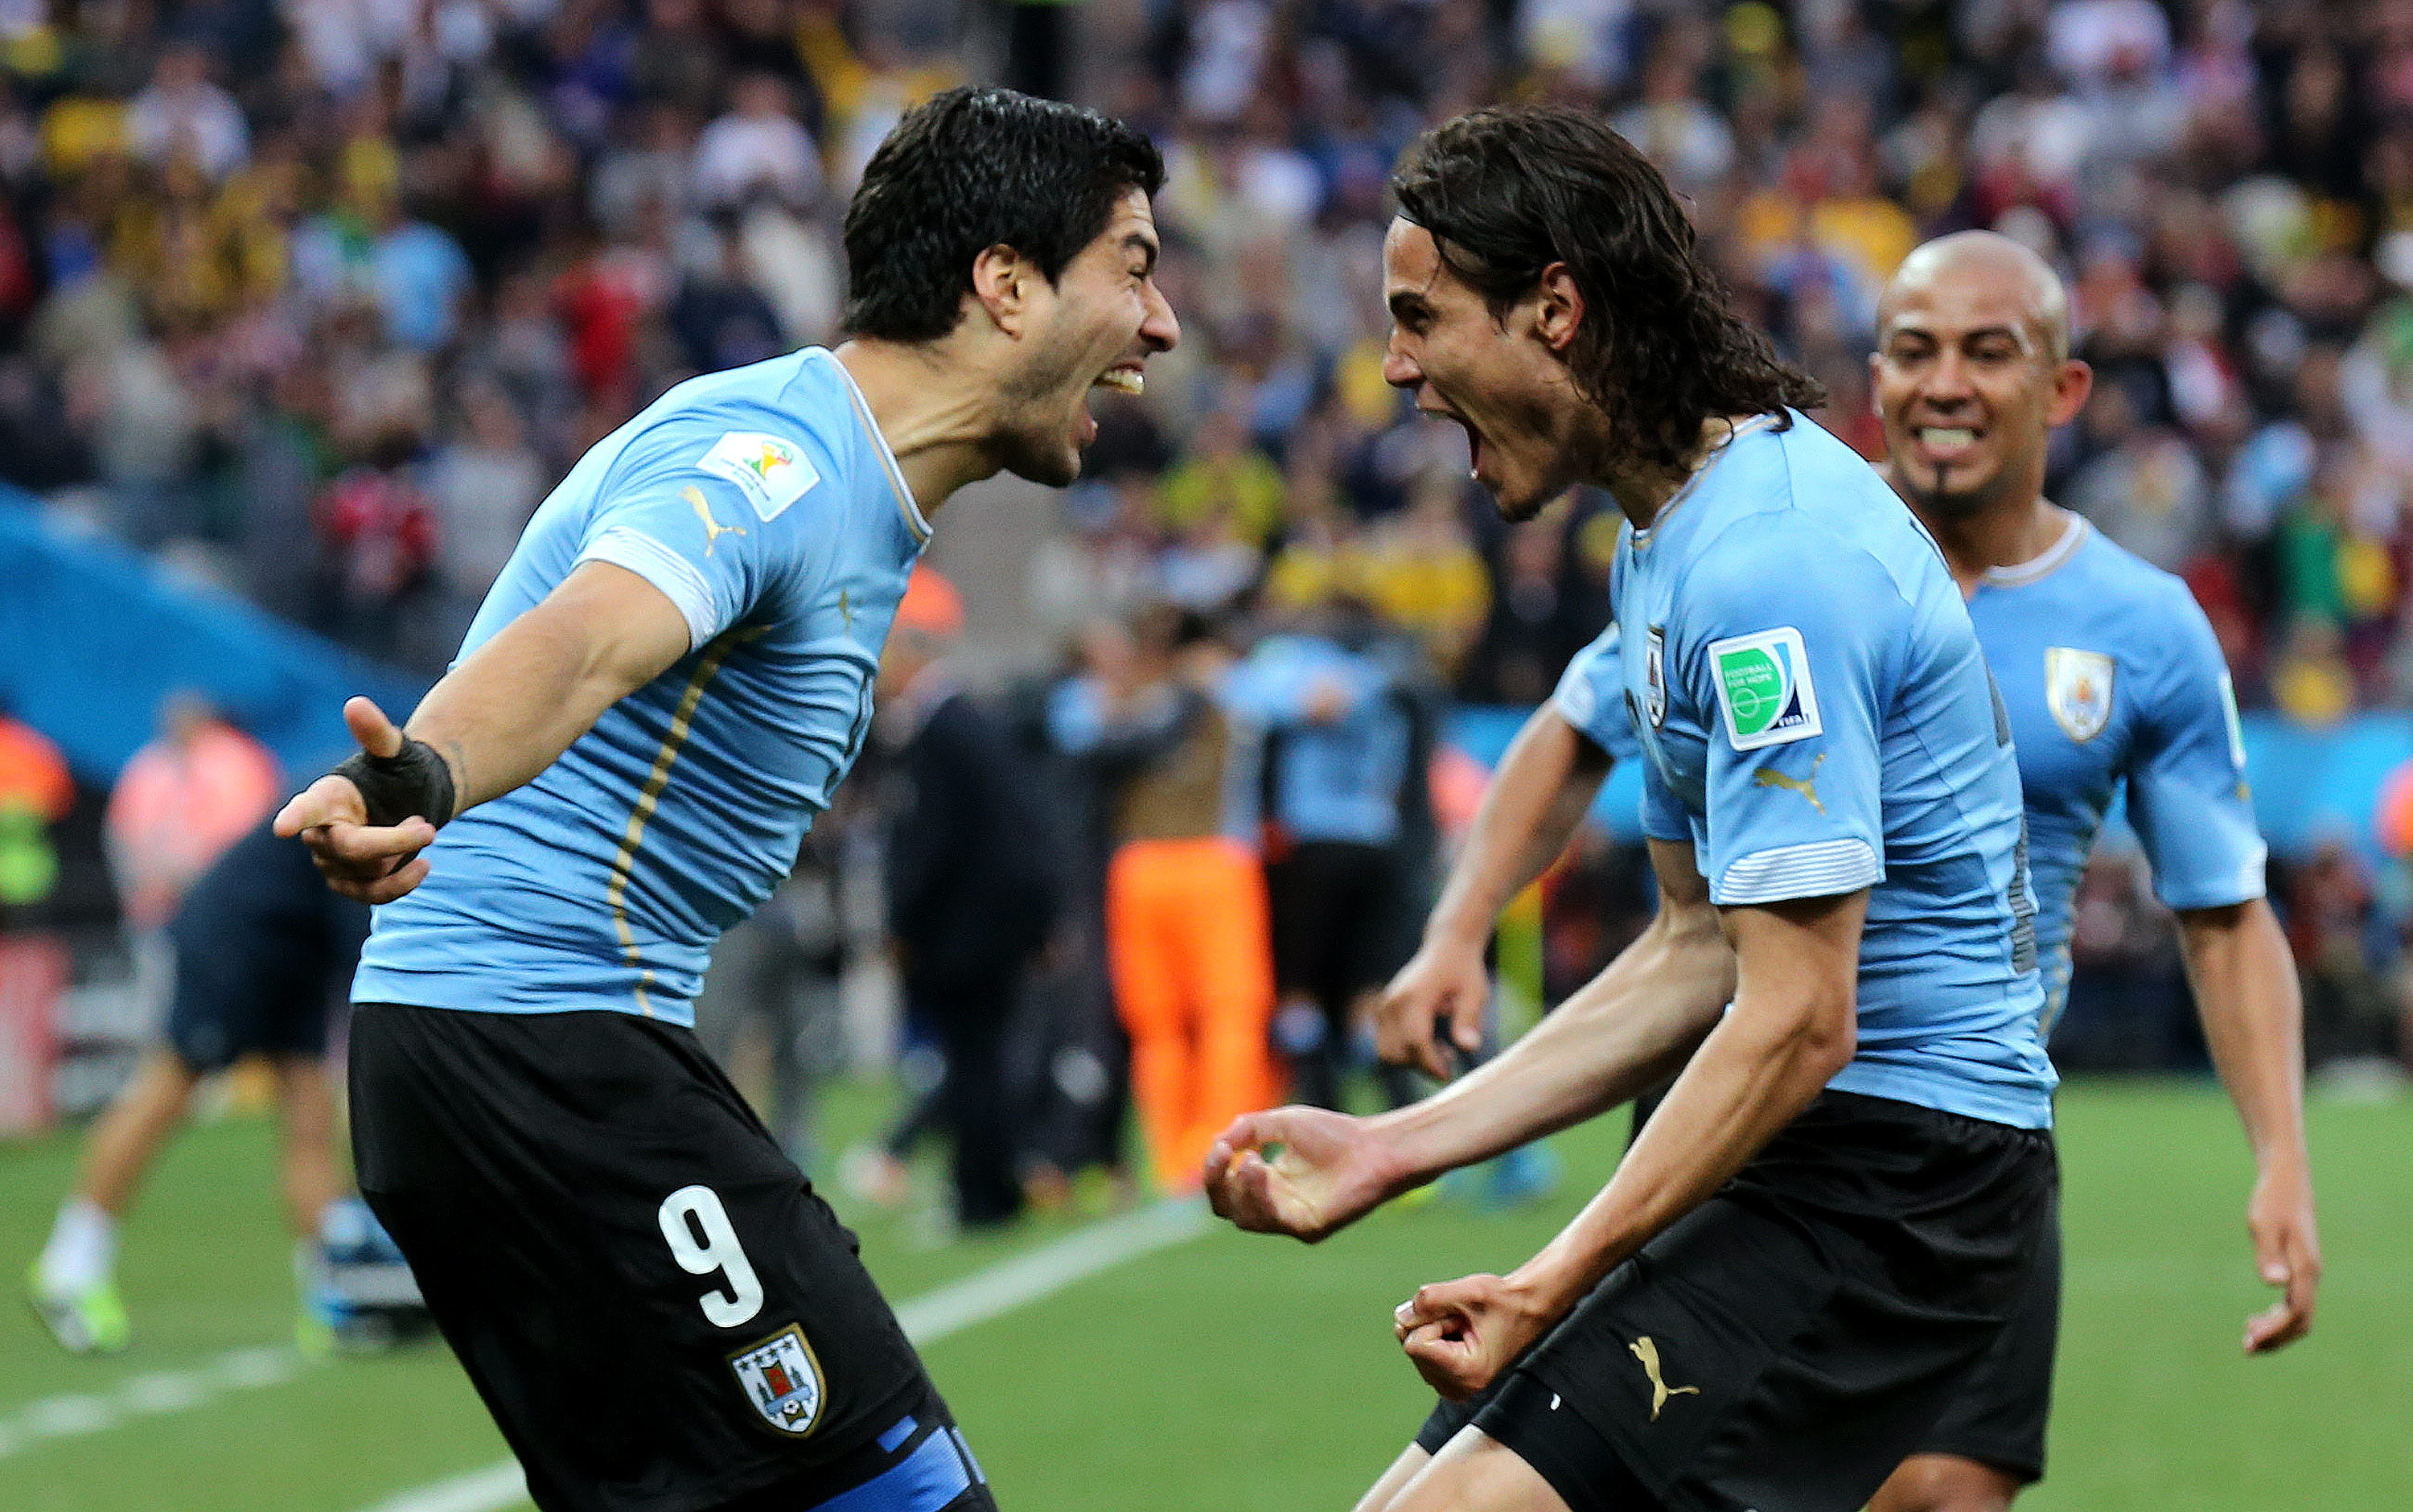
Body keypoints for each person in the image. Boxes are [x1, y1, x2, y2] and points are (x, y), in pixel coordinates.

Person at [274, 86, 1176, 1512]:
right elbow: (589, 635)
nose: (1162, 322)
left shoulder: (839, 478)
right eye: (1132, 265)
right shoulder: (780, 465)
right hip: (540, 1056)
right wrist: (421, 777)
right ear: (1005, 285)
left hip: (508, 1057)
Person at [1205, 106, 2057, 1512]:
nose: (1395, 364)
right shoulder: (1674, 540)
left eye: (1421, 317)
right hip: (1814, 1153)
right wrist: (1396, 1147)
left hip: (1896, 1180)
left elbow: (1798, 1013)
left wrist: (1549, 1277)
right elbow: (1696, 951)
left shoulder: (1768, 569)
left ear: (1554, 308)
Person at [1862, 231, 2318, 1512]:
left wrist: (2280, 1152)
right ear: (1877, 379)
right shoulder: (1794, 573)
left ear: (2062, 391)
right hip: (1753, 1131)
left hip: (1977, 1138)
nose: (1945, 382)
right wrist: (1457, 932)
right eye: (1915, 351)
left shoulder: (2142, 624)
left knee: (1947, 1493)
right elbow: (1580, 720)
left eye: (1986, 352)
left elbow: (2223, 914)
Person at [25, 816, 412, 1355]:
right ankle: (69, 1265)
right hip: (233, 937)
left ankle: (332, 1293)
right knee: (171, 1087)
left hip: (294, 952)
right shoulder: (388, 815)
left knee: (308, 1110)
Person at [1049, 602, 1278, 1194]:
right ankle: (1217, 1151)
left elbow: (1072, 739)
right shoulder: (1223, 688)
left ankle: (1178, 1158)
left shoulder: (1109, 702)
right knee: (1222, 1014)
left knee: (1164, 1025)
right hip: (1208, 860)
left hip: (1145, 864)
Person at [875, 565, 1062, 1228]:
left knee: (971, 1063)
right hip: (993, 929)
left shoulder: (941, 730)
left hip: (964, 935)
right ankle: (993, 1188)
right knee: (982, 1061)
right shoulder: (974, 723)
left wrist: (903, 921)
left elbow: (933, 843)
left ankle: (981, 1196)